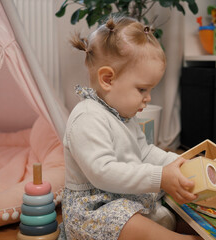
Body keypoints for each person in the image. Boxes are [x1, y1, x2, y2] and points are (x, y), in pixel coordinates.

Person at [60, 15, 201, 240]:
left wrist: (174, 164)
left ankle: (167, 228)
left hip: (122, 198)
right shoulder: (86, 117)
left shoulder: (124, 116)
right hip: (93, 210)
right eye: (142, 89)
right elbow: (102, 173)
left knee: (166, 196)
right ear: (108, 79)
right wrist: (159, 176)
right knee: (123, 217)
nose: (148, 98)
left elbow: (144, 152)